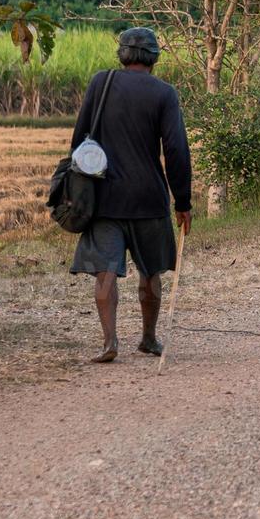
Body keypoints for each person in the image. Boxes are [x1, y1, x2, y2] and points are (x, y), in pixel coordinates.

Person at [68, 27, 192, 363]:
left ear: (122, 54)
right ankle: (149, 339)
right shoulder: (164, 94)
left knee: (105, 271)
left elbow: (79, 141)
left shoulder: (100, 83)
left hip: (104, 197)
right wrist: (183, 202)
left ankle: (110, 342)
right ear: (154, 57)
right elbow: (177, 150)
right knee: (150, 272)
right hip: (148, 199)